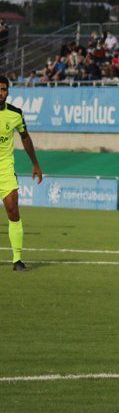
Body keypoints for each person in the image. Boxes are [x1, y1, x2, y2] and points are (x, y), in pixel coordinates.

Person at [0, 76, 42, 271]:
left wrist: (35, 164)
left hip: (5, 168)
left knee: (12, 208)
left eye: (4, 89)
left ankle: (17, 259)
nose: (1, 93)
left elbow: (25, 137)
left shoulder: (15, 114)